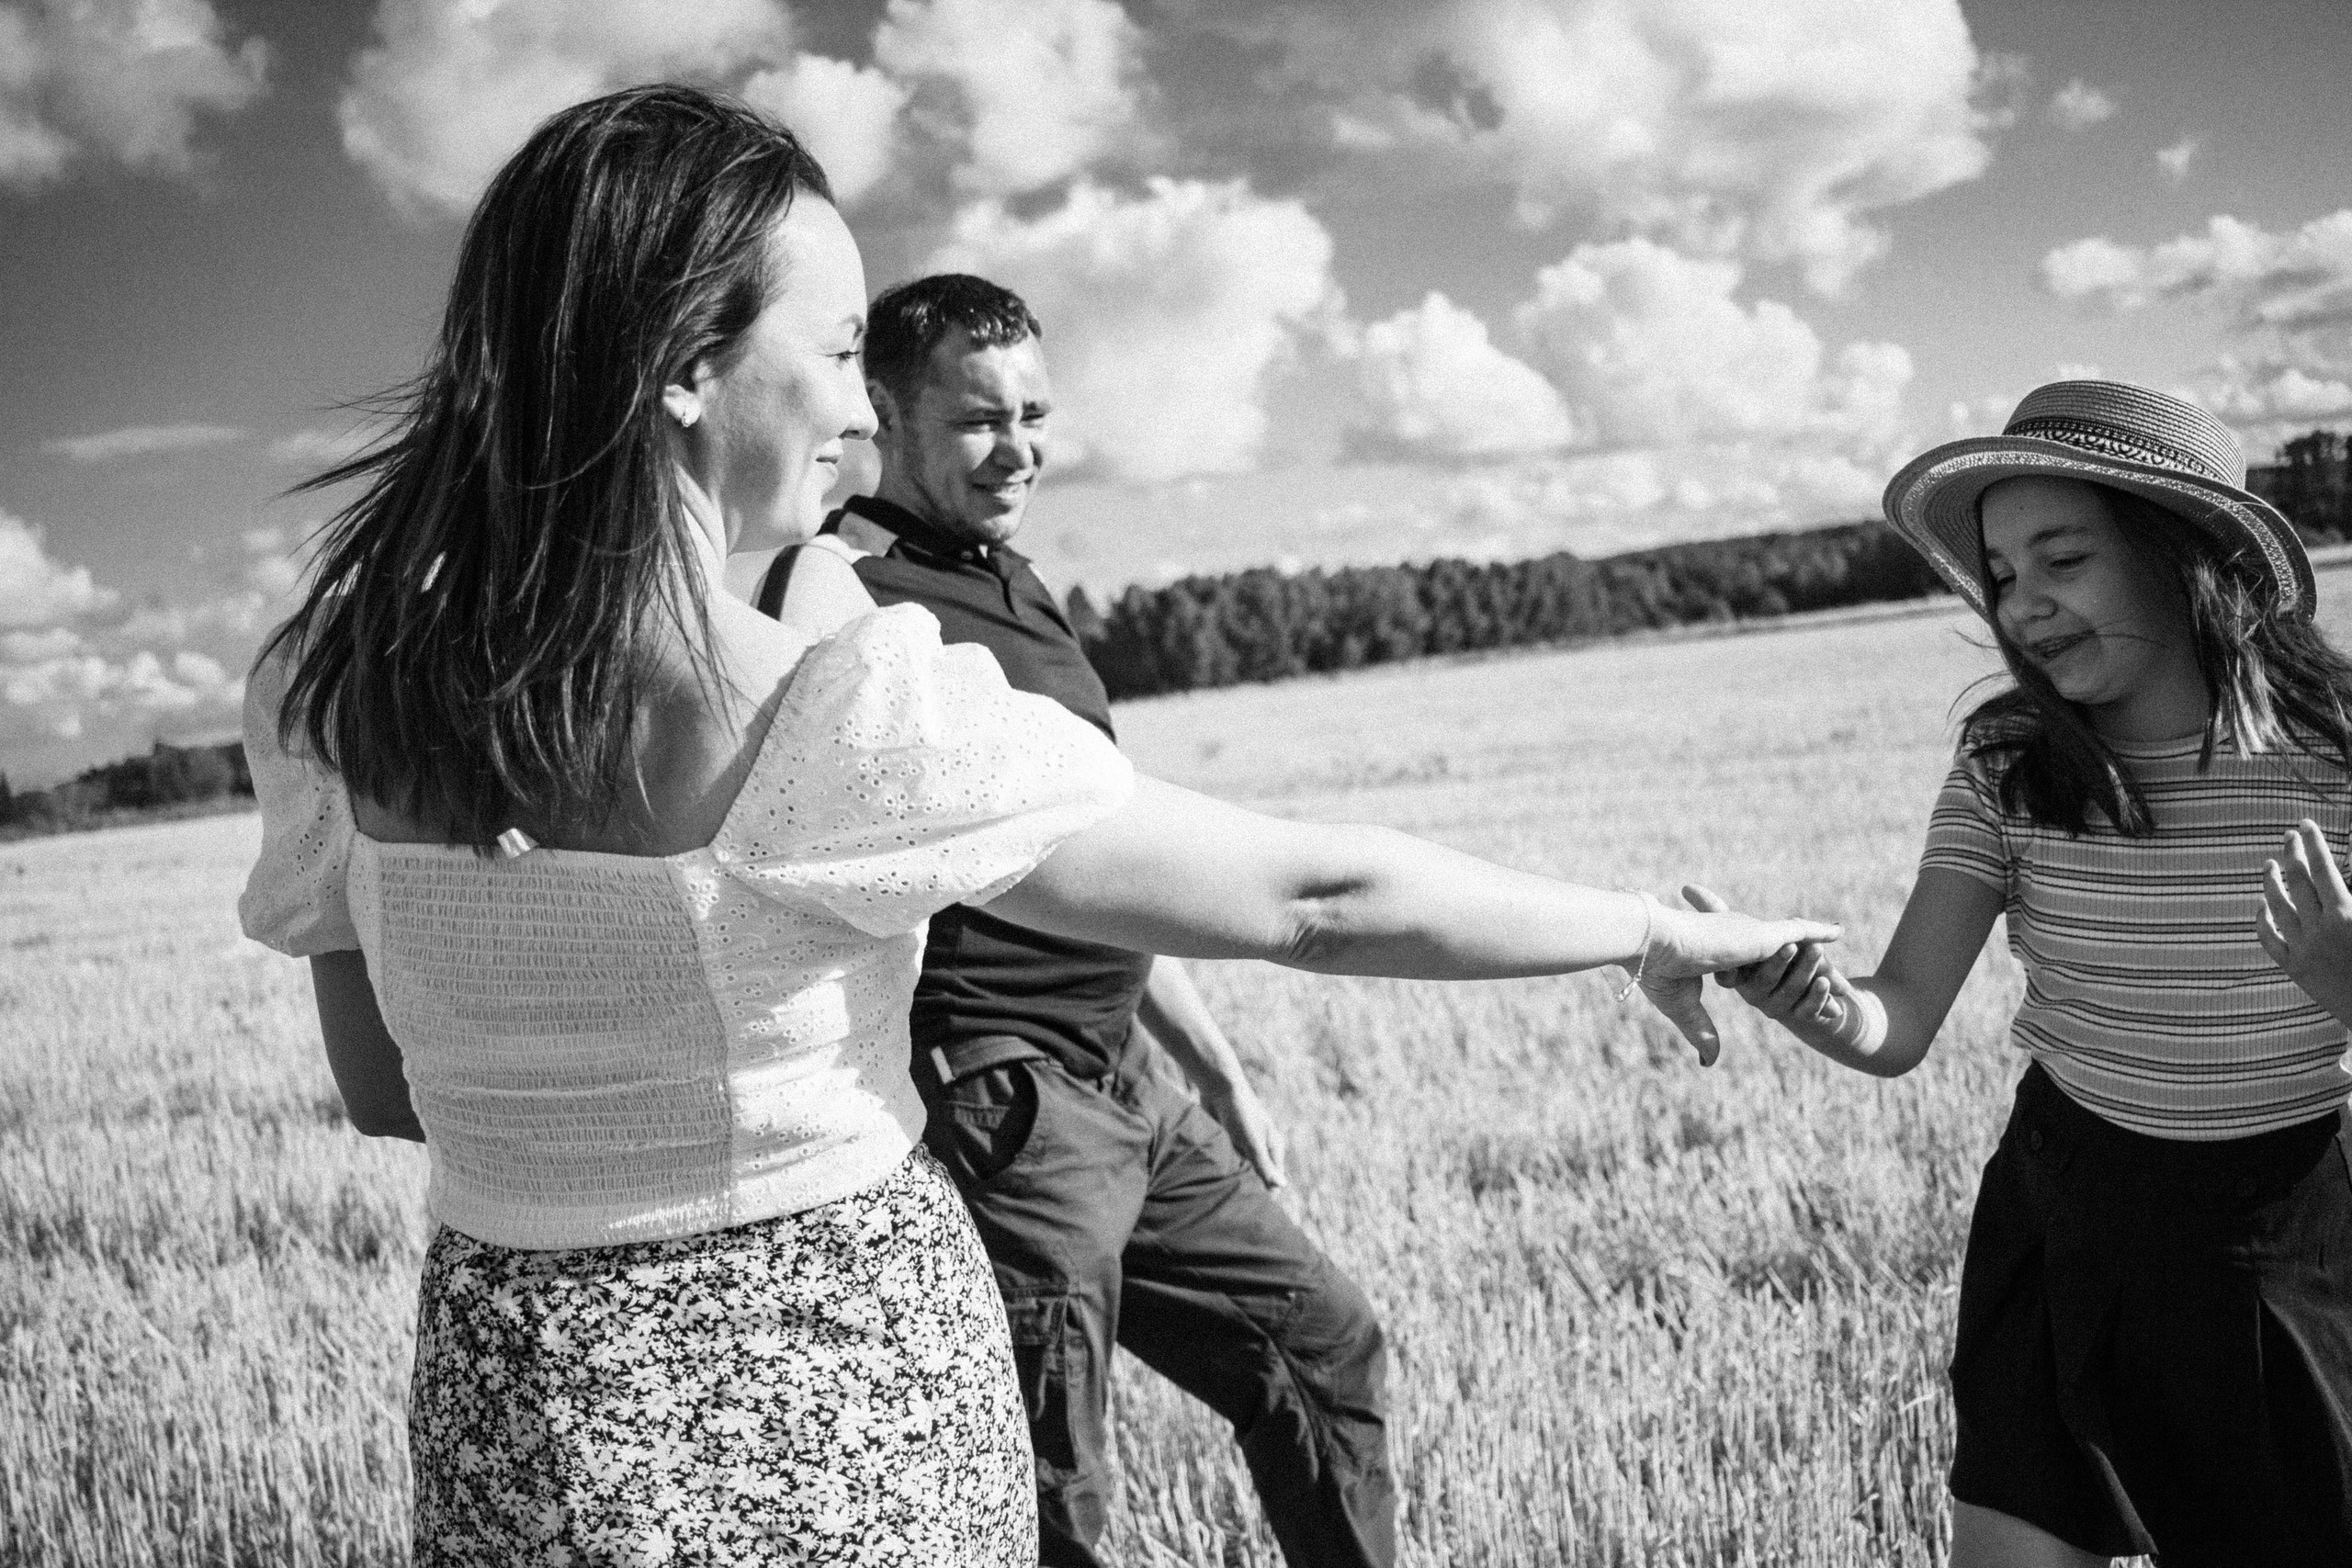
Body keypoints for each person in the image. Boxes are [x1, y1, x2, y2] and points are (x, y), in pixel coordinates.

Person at [239, 84, 1836, 1566]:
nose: (862, 416)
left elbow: (387, 1095)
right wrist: (1652, 925)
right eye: (845, 350)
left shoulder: (324, 687)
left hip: (525, 1413)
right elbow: (1316, 897)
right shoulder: (824, 708)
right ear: (681, 365)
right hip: (843, 1405)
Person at [759, 274, 1390, 1567]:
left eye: (1035, 413)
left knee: (1323, 1343)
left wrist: (1213, 1068)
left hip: (1132, 1089)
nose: (1021, 447)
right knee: (1054, 1499)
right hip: (1009, 1107)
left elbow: (1102, 850)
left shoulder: (1018, 583)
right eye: (981, 418)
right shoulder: (840, 587)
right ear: (882, 408)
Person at [1709, 380, 2352, 1566]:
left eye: (2064, 558)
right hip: (2067, 1209)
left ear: (2190, 557)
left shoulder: (2339, 758)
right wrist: (1805, 996)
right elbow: (1895, 1023)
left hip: (2283, 1233)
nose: (2026, 603)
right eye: (2004, 574)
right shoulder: (2011, 763)